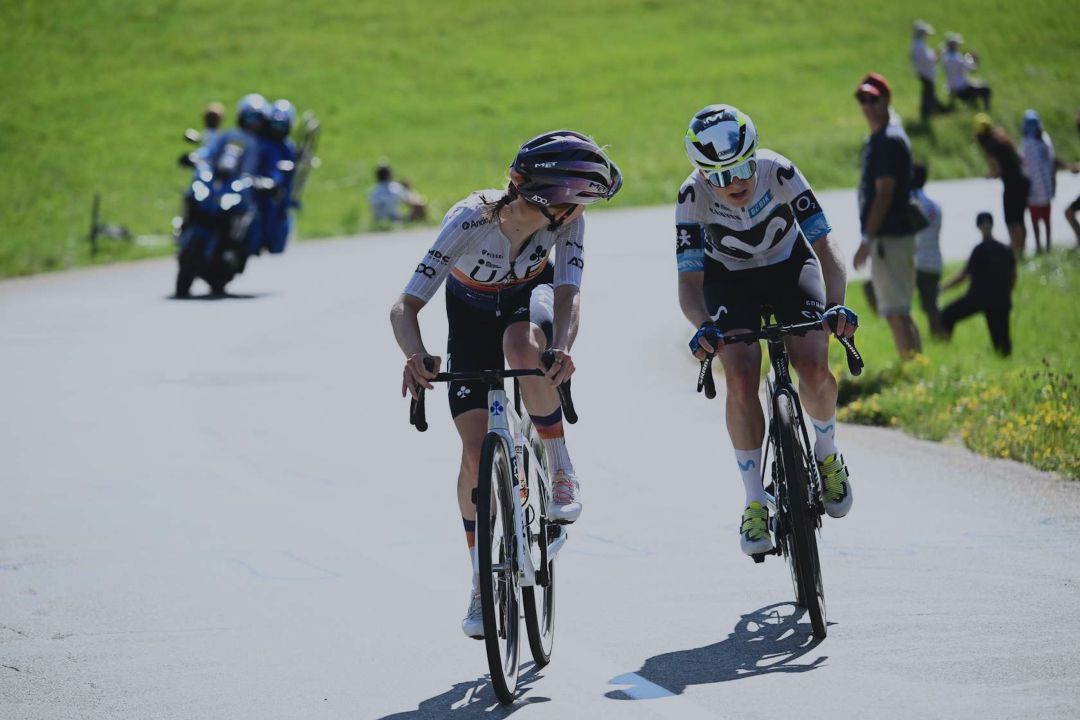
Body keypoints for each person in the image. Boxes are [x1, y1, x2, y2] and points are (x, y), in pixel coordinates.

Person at [390, 131, 622, 638]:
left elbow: (568, 295)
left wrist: (562, 346)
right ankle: (480, 580)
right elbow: (404, 306)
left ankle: (560, 467)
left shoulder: (568, 226)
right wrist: (415, 354)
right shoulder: (470, 220)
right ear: (553, 202)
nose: (582, 209)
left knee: (523, 346)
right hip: (469, 319)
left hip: (526, 305)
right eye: (578, 199)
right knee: (474, 456)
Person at [675, 104, 857, 557]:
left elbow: (824, 242)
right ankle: (756, 499)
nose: (733, 183)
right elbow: (689, 282)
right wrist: (702, 328)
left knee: (812, 360)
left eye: (740, 168)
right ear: (701, 173)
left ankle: (828, 451)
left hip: (789, 268)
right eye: (717, 175)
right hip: (729, 281)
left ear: (754, 155)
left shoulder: (780, 172)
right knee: (739, 374)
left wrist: (836, 304)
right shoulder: (690, 198)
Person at [852, 73, 923, 358]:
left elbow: (884, 193)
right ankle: (917, 368)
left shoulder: (887, 140)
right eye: (862, 99)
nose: (867, 105)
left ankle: (912, 372)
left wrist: (867, 239)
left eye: (872, 98)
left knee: (895, 312)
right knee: (900, 310)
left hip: (889, 235)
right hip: (894, 234)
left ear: (886, 99)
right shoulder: (884, 137)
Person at [940, 212, 1016, 356]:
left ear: (978, 226)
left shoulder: (979, 249)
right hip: (1002, 299)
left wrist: (943, 287)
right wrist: (1006, 292)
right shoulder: (1005, 249)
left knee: (947, 315)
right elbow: (1013, 276)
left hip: (978, 298)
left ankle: (943, 350)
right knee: (1002, 340)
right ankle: (1005, 360)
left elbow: (964, 276)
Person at [975, 113, 1030, 256]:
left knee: (1011, 220)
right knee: (1020, 218)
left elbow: (997, 171)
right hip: (1022, 182)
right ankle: (1022, 249)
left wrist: (989, 175)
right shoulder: (1002, 139)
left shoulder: (990, 147)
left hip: (1011, 185)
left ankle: (1016, 252)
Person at [251, 98, 299, 256]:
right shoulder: (258, 141)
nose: (278, 129)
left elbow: (282, 174)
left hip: (272, 189)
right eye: (275, 124)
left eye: (282, 125)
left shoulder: (287, 148)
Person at [910, 163, 945, 337]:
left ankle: (911, 339)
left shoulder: (908, 202)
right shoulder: (935, 206)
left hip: (912, 261)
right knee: (932, 306)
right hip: (933, 260)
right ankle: (937, 336)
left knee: (902, 307)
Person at [1020, 109, 1056, 253]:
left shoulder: (1026, 143)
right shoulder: (1045, 140)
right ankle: (1047, 246)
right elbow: (1052, 161)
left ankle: (1039, 247)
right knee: (1046, 219)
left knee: (1035, 219)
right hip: (1046, 187)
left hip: (1033, 188)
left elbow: (1023, 166)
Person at [942, 32, 991, 110]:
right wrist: (975, 58)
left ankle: (973, 108)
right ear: (954, 45)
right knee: (986, 89)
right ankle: (987, 110)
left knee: (975, 88)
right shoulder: (957, 58)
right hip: (962, 88)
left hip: (951, 88)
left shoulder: (946, 57)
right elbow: (973, 68)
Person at [370, 163, 428, 227]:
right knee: (420, 205)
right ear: (389, 174)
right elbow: (415, 203)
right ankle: (426, 223)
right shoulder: (394, 187)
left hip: (378, 221)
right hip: (395, 220)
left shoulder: (373, 191)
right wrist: (409, 190)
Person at [910, 20, 945, 122]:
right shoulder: (919, 45)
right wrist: (939, 53)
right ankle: (927, 113)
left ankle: (933, 111)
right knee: (928, 94)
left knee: (929, 93)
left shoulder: (916, 44)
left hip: (923, 72)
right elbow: (930, 59)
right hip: (926, 72)